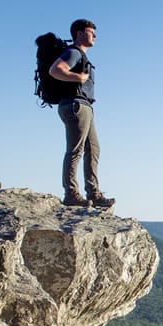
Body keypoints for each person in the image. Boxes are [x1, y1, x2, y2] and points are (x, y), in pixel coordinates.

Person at [50, 19, 113, 208]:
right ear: (79, 33)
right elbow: (55, 70)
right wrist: (79, 77)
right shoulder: (73, 53)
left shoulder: (80, 55)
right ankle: (71, 193)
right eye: (90, 31)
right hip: (76, 105)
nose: (94, 35)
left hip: (84, 106)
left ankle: (93, 192)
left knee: (93, 148)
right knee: (76, 150)